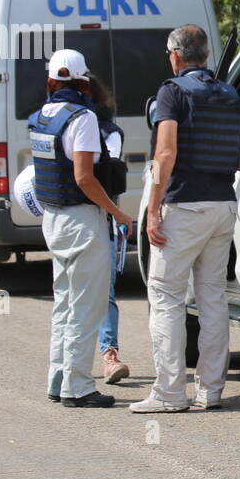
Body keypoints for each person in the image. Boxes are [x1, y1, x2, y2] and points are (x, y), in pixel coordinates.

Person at [131, 24, 240, 413]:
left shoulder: (172, 92)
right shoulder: (231, 95)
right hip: (223, 207)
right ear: (207, 56)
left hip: (184, 207)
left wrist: (152, 211)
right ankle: (210, 391)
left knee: (166, 296)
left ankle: (169, 393)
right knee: (213, 297)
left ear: (176, 55)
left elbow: (165, 155)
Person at [28, 49, 135, 407]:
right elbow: (84, 178)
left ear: (50, 82)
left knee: (64, 304)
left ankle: (58, 380)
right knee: (86, 307)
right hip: (82, 220)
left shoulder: (41, 117)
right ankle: (78, 387)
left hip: (54, 219)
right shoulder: (83, 118)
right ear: (83, 81)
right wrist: (118, 215)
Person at [88, 75, 132, 384]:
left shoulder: (109, 135)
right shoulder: (58, 125)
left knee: (106, 291)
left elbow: (106, 174)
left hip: (102, 219)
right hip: (70, 219)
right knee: (71, 293)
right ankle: (66, 365)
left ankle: (108, 355)